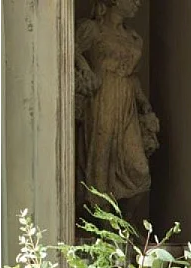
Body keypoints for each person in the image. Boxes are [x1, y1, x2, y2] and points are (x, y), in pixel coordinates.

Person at [75, 0, 159, 219]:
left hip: (127, 102)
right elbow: (70, 49)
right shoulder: (92, 29)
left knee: (140, 171)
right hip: (102, 99)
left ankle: (124, 226)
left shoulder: (133, 38)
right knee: (100, 168)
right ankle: (103, 232)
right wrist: (85, 69)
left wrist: (145, 105)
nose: (138, 3)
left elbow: (133, 78)